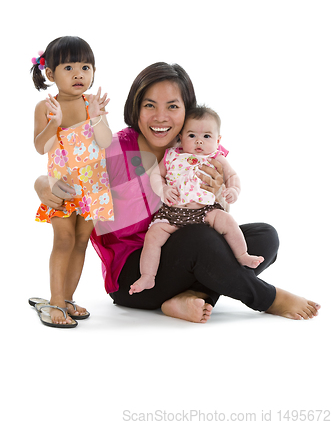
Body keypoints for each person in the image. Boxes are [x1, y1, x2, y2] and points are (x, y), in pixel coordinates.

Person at [34, 62, 321, 322]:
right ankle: (268, 298)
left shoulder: (199, 149)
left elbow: (216, 215)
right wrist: (42, 184)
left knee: (263, 236)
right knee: (200, 239)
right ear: (135, 108)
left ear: (187, 110)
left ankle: (192, 298)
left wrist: (221, 195)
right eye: (149, 105)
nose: (161, 117)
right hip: (135, 277)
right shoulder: (114, 148)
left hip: (188, 250)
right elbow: (69, 166)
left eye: (172, 106)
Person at [129, 105, 264, 295]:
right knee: (153, 237)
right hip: (172, 213)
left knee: (227, 221)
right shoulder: (172, 155)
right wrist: (163, 189)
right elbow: (156, 176)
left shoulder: (216, 157)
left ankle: (242, 255)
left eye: (207, 136)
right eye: (192, 136)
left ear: (218, 140)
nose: (199, 141)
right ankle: (148, 276)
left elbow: (232, 176)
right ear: (181, 137)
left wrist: (233, 189)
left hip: (205, 212)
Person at [32, 36, 113, 328]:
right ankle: (54, 301)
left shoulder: (92, 104)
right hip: (63, 186)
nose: (79, 73)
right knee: (63, 239)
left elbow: (104, 142)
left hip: (93, 187)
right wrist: (54, 123)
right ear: (51, 74)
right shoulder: (47, 106)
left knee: (81, 242)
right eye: (69, 67)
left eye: (86, 66)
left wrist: (99, 118)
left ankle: (67, 298)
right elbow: (42, 146)